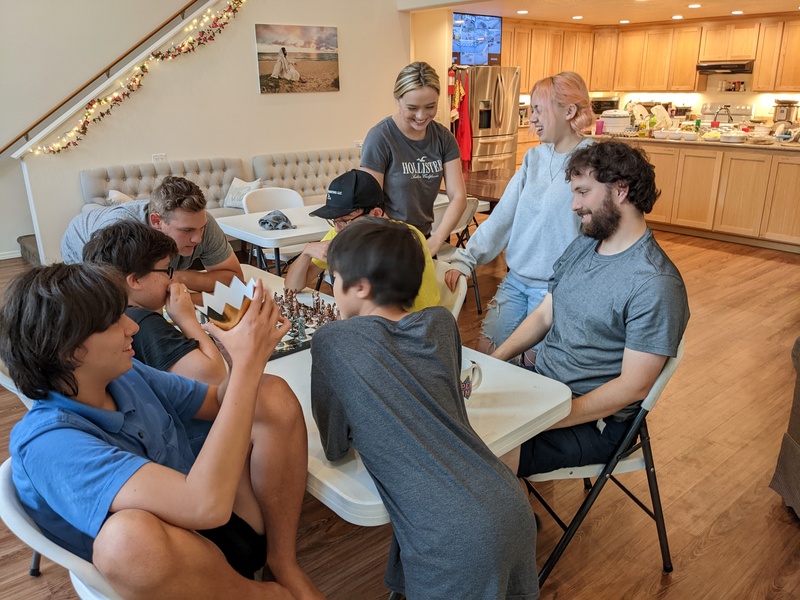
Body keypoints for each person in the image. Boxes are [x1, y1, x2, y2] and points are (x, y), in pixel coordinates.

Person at [0, 263, 323, 600]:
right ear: (70, 351)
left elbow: (215, 401)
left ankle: (282, 562)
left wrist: (247, 351)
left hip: (213, 517)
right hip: (176, 568)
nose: (131, 328)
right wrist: (246, 365)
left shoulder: (123, 374)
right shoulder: (49, 444)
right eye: (113, 322)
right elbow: (203, 506)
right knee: (127, 540)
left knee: (268, 393)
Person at [310, 219, 539, 600]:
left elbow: (334, 445)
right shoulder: (440, 323)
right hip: (509, 503)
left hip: (452, 538)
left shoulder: (334, 341)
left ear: (361, 287)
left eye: (335, 278)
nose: (333, 288)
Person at [492, 140, 690, 477]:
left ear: (620, 190)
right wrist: (495, 363)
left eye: (583, 192)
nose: (574, 205)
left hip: (594, 421)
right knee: (451, 413)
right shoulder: (585, 244)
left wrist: (548, 416)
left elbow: (633, 387)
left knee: (475, 453)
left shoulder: (654, 283)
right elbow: (544, 313)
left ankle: (505, 521)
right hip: (544, 388)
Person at [444, 72, 595, 356]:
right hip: (516, 281)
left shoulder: (594, 161)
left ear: (569, 110)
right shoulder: (533, 159)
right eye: (530, 110)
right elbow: (503, 217)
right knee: (486, 354)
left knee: (532, 368)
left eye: (538, 109)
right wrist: (466, 259)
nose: (532, 118)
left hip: (557, 290)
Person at [82, 220, 227, 385]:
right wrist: (187, 319)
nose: (171, 278)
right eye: (166, 270)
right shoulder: (143, 322)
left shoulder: (108, 313)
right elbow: (214, 379)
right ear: (135, 280)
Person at [284, 169, 441, 310]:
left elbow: (385, 313)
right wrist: (306, 252)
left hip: (414, 330)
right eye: (334, 220)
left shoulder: (405, 240)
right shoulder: (342, 232)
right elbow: (292, 287)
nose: (337, 228)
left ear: (376, 214)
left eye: (346, 220)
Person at [60, 175, 243, 293]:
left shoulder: (201, 222)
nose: (198, 238)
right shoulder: (121, 234)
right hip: (78, 245)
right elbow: (126, 299)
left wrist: (174, 277)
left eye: (201, 227)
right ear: (156, 221)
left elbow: (234, 280)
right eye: (186, 230)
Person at [360, 61, 467, 256]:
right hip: (385, 241)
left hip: (424, 239)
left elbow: (459, 197)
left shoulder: (444, 138)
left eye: (430, 107)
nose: (421, 115)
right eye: (412, 107)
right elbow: (370, 204)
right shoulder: (380, 137)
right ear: (397, 100)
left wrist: (436, 240)